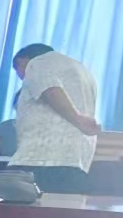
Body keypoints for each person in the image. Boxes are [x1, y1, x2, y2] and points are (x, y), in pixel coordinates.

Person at [8, 43, 100, 188]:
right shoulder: (82, 70)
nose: (21, 77)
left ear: (23, 59)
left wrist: (76, 118)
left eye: (17, 68)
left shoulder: (38, 63)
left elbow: (50, 89)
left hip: (40, 161)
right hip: (76, 161)